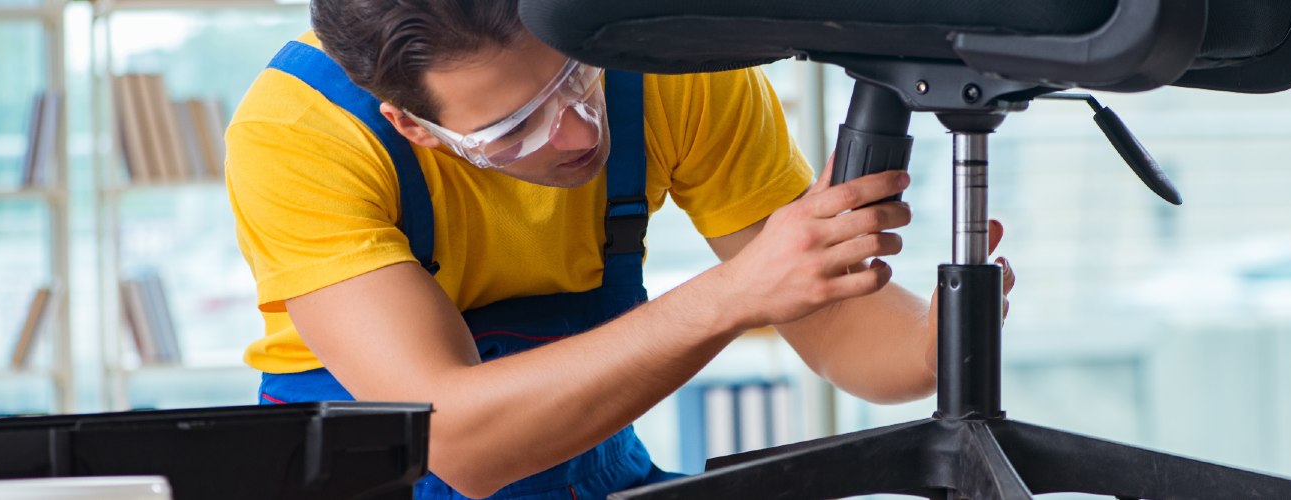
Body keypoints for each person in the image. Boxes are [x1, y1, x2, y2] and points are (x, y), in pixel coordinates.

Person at [225, 1, 1015, 498]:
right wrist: (734, 294)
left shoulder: (663, 65)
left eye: (572, 79)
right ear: (415, 126)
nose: (575, 133)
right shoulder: (299, 137)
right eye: (514, 128)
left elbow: (854, 345)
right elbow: (458, 445)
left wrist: (944, 337)